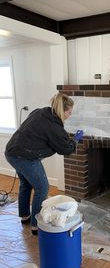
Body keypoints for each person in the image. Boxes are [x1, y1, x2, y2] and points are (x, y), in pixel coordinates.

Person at [5, 93, 76, 235]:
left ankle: (25, 216)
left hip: (12, 151)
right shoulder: (54, 127)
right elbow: (65, 149)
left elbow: (45, 134)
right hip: (25, 157)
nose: (70, 115)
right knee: (42, 187)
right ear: (62, 111)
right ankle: (36, 225)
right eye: (69, 112)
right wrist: (75, 141)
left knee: (26, 184)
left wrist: (63, 138)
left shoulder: (41, 112)